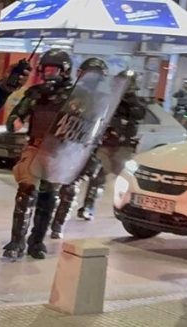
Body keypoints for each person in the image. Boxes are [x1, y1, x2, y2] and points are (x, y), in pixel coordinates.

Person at [50, 59, 146, 236]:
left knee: (112, 178)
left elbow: (138, 114)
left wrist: (128, 100)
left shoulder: (134, 103)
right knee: (83, 178)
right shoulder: (102, 97)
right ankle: (64, 217)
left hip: (121, 146)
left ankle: (93, 206)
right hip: (96, 143)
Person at [2, 48, 75, 261]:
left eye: (54, 70)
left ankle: (37, 241)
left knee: (48, 197)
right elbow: (15, 116)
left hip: (58, 152)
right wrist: (15, 121)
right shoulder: (35, 94)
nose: (49, 74)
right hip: (35, 147)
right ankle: (17, 241)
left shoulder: (75, 97)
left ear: (64, 71)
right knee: (25, 192)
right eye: (46, 70)